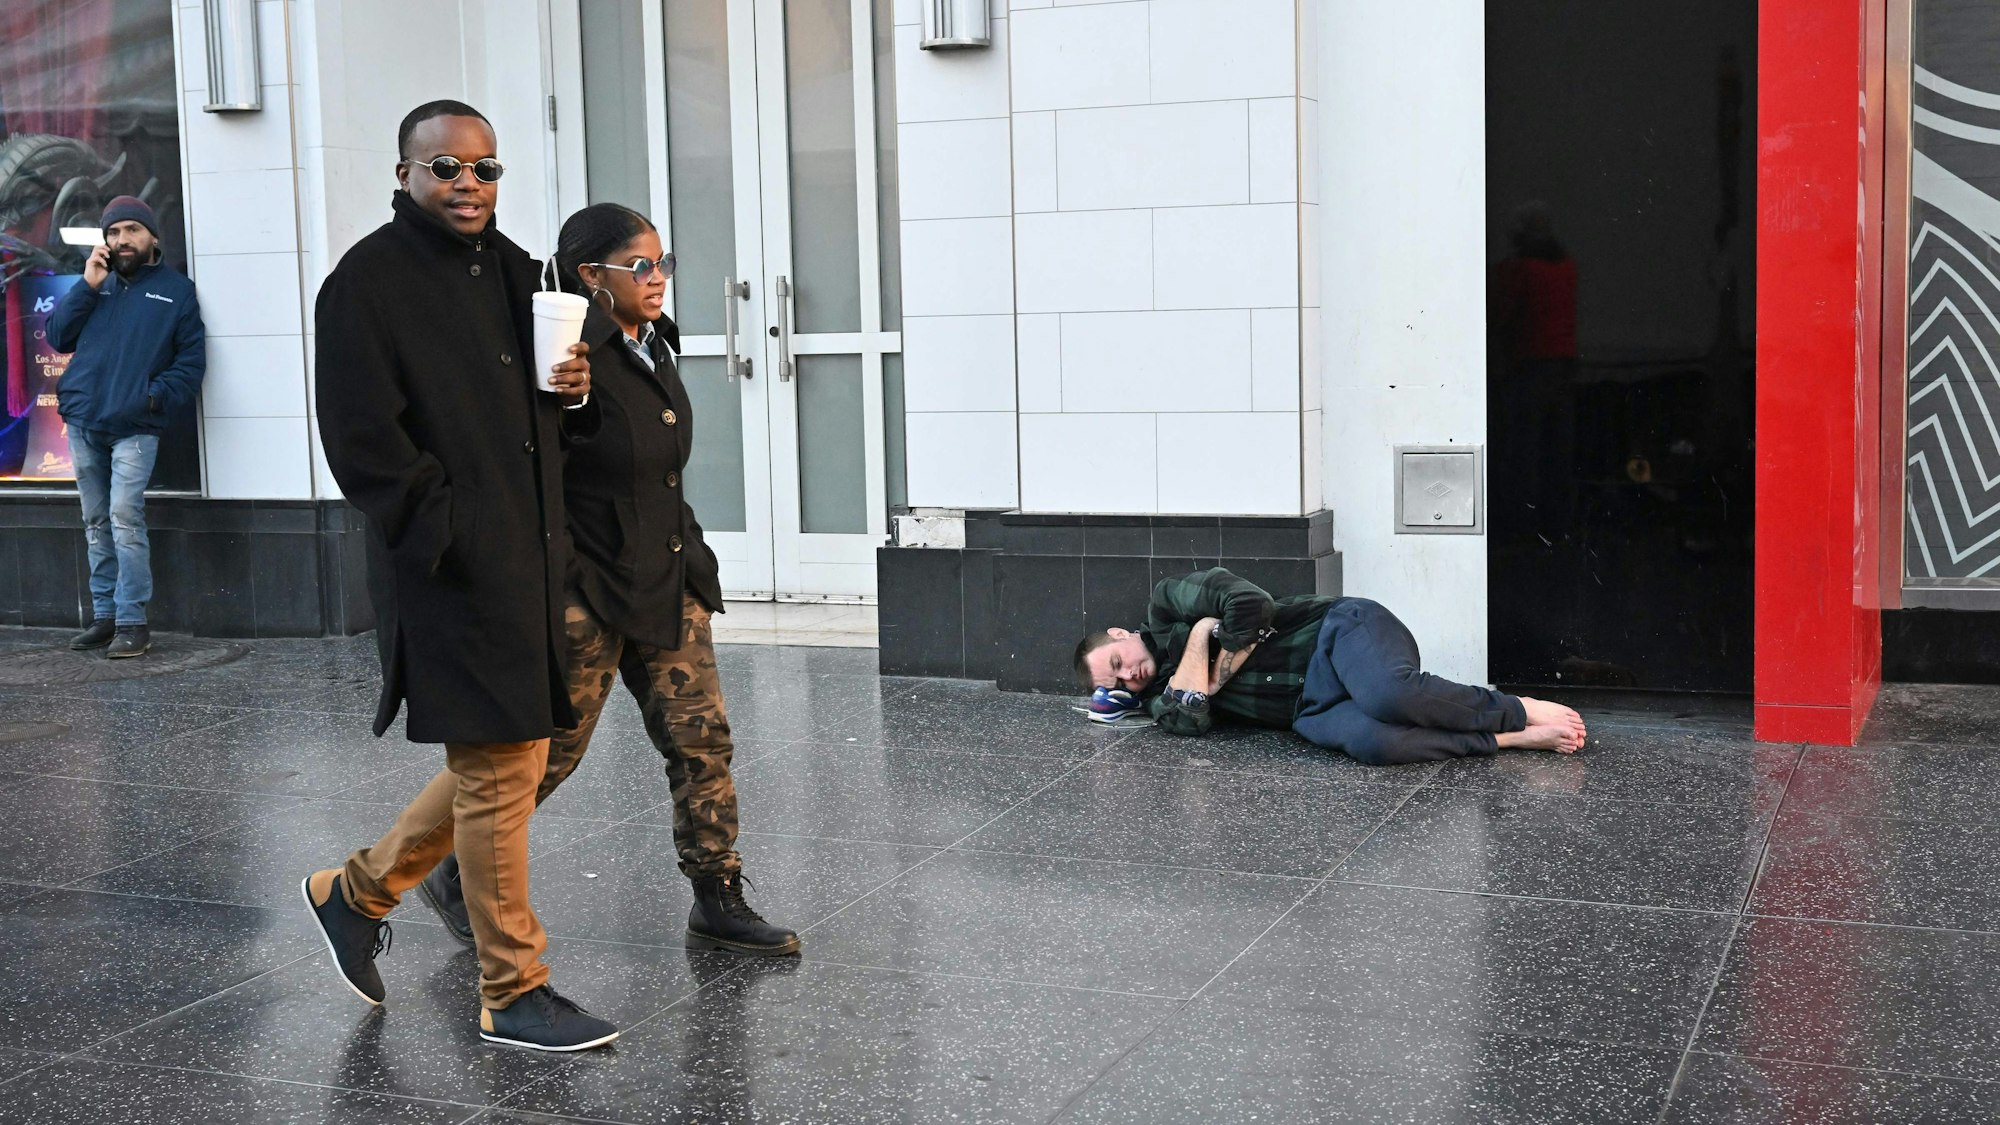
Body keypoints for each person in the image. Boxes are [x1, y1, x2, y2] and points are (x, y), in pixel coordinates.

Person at [300, 100, 617, 1053]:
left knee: (508, 757)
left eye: (485, 169)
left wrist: (579, 390)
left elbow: (554, 412)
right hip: (450, 565)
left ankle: (353, 894)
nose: (469, 184)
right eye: (446, 169)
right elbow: (363, 443)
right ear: (404, 175)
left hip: (530, 553)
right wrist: (453, 529)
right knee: (495, 764)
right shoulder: (364, 283)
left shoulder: (517, 271)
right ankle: (511, 987)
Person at [414, 202, 797, 958]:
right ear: (592, 276)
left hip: (668, 570)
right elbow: (537, 452)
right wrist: (567, 397)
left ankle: (716, 894)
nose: (657, 280)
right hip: (587, 583)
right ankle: (451, 868)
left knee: (702, 741)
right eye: (640, 267)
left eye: (664, 264)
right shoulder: (559, 348)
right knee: (547, 751)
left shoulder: (656, 341)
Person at [1076, 568, 1586, 765]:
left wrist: (1207, 667)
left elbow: (1252, 606)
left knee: (1388, 695)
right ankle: (1506, 740)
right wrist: (1202, 638)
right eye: (1116, 682)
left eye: (1118, 662)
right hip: (1308, 709)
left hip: (1336, 632)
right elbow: (1188, 721)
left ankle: (1516, 708)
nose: (1129, 676)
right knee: (1376, 743)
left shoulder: (1167, 603)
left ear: (1121, 634)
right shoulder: (1158, 699)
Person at [48, 196, 205, 659]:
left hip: (135, 426)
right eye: (113, 233)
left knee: (124, 518)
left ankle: (133, 621)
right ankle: (106, 616)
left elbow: (190, 364)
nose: (122, 241)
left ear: (152, 236)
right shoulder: (98, 285)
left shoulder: (176, 291)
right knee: (96, 521)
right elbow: (58, 337)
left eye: (132, 230)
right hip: (83, 421)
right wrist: (86, 286)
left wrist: (151, 397)